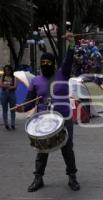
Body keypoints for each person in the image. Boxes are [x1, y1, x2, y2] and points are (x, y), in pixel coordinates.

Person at [16, 32, 80, 192]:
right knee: (42, 150)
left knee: (67, 148)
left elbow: (69, 57)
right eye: (42, 62)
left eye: (48, 62)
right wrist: (21, 108)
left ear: (53, 63)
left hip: (64, 118)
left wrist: (71, 43)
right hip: (43, 120)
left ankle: (72, 177)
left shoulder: (62, 73)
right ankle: (38, 178)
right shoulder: (35, 81)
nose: (45, 65)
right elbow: (28, 101)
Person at [0, 65, 17, 130]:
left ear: (11, 70)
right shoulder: (2, 77)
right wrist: (7, 86)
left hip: (12, 94)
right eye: (6, 70)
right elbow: (1, 85)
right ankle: (6, 124)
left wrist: (8, 87)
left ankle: (13, 124)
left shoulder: (14, 77)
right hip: (4, 94)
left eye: (8, 70)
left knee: (12, 109)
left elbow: (15, 86)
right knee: (5, 109)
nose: (7, 71)